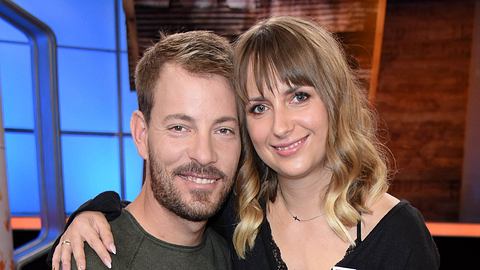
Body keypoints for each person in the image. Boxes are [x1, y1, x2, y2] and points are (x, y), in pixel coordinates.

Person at [50, 16, 440, 270]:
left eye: (299, 96)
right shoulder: (239, 219)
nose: (281, 126)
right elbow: (164, 213)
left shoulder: (399, 234)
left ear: (335, 101)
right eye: (258, 107)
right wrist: (91, 213)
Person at [50, 30, 244, 270]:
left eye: (223, 130)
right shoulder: (89, 260)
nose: (204, 155)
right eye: (180, 127)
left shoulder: (229, 252)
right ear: (141, 134)